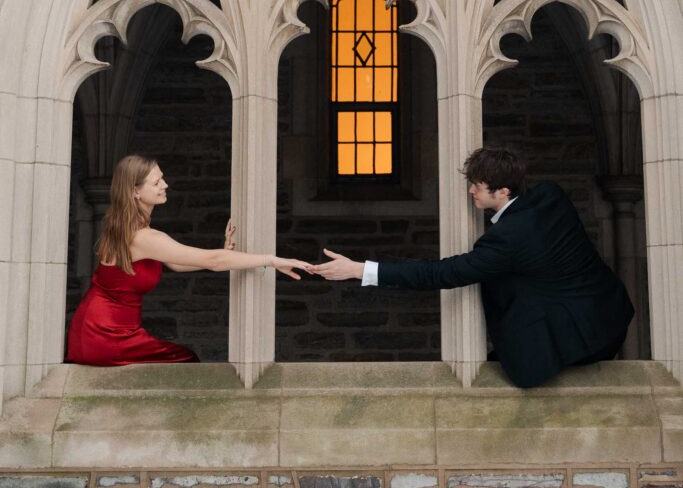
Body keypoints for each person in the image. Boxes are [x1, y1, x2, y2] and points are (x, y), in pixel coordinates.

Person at [311, 146, 634, 388]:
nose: (470, 191)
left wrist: (359, 270)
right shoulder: (551, 196)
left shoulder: (508, 240)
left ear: (503, 191)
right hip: (612, 316)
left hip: (582, 342)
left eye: (478, 185)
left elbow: (441, 273)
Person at [67, 154, 311, 366]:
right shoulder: (144, 237)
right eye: (156, 182)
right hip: (106, 335)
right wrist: (271, 259)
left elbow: (178, 263)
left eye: (162, 177)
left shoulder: (133, 230)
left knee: (183, 359)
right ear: (135, 191)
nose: (165, 184)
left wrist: (221, 255)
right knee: (184, 359)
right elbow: (214, 261)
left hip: (95, 331)